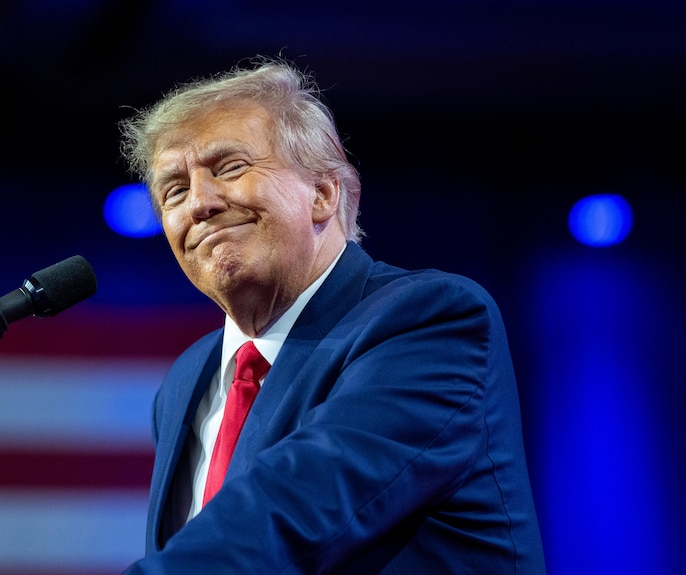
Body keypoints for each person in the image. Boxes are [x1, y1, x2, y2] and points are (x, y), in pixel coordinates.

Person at [117, 56, 546, 573]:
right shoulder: (188, 380)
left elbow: (297, 503)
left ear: (322, 193)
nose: (200, 203)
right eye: (175, 191)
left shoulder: (431, 321)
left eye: (229, 167)